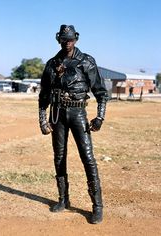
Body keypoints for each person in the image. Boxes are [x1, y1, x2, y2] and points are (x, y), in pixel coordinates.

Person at [38, 24, 108, 224]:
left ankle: (97, 206)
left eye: (70, 39)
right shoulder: (52, 64)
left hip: (78, 113)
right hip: (57, 114)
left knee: (88, 158)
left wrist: (100, 117)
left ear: (76, 39)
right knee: (59, 157)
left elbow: (101, 93)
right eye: (63, 39)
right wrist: (43, 119)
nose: (67, 42)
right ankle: (63, 199)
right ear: (58, 39)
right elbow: (43, 95)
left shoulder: (86, 61)